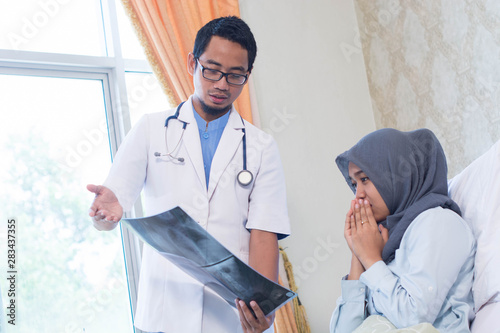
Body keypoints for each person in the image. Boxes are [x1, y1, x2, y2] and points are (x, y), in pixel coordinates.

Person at [87, 16, 290, 333]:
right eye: (212, 70)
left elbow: (264, 232)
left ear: (247, 76)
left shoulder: (262, 147)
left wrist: (264, 310)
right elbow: (109, 209)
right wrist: (103, 215)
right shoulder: (151, 128)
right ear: (192, 63)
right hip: (162, 312)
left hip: (228, 319)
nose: (222, 84)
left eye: (235, 76)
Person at [329, 128, 475, 332]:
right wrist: (358, 255)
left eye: (364, 179)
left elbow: (414, 319)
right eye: (354, 184)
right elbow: (344, 330)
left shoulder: (438, 222)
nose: (358, 195)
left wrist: (372, 259)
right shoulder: (383, 240)